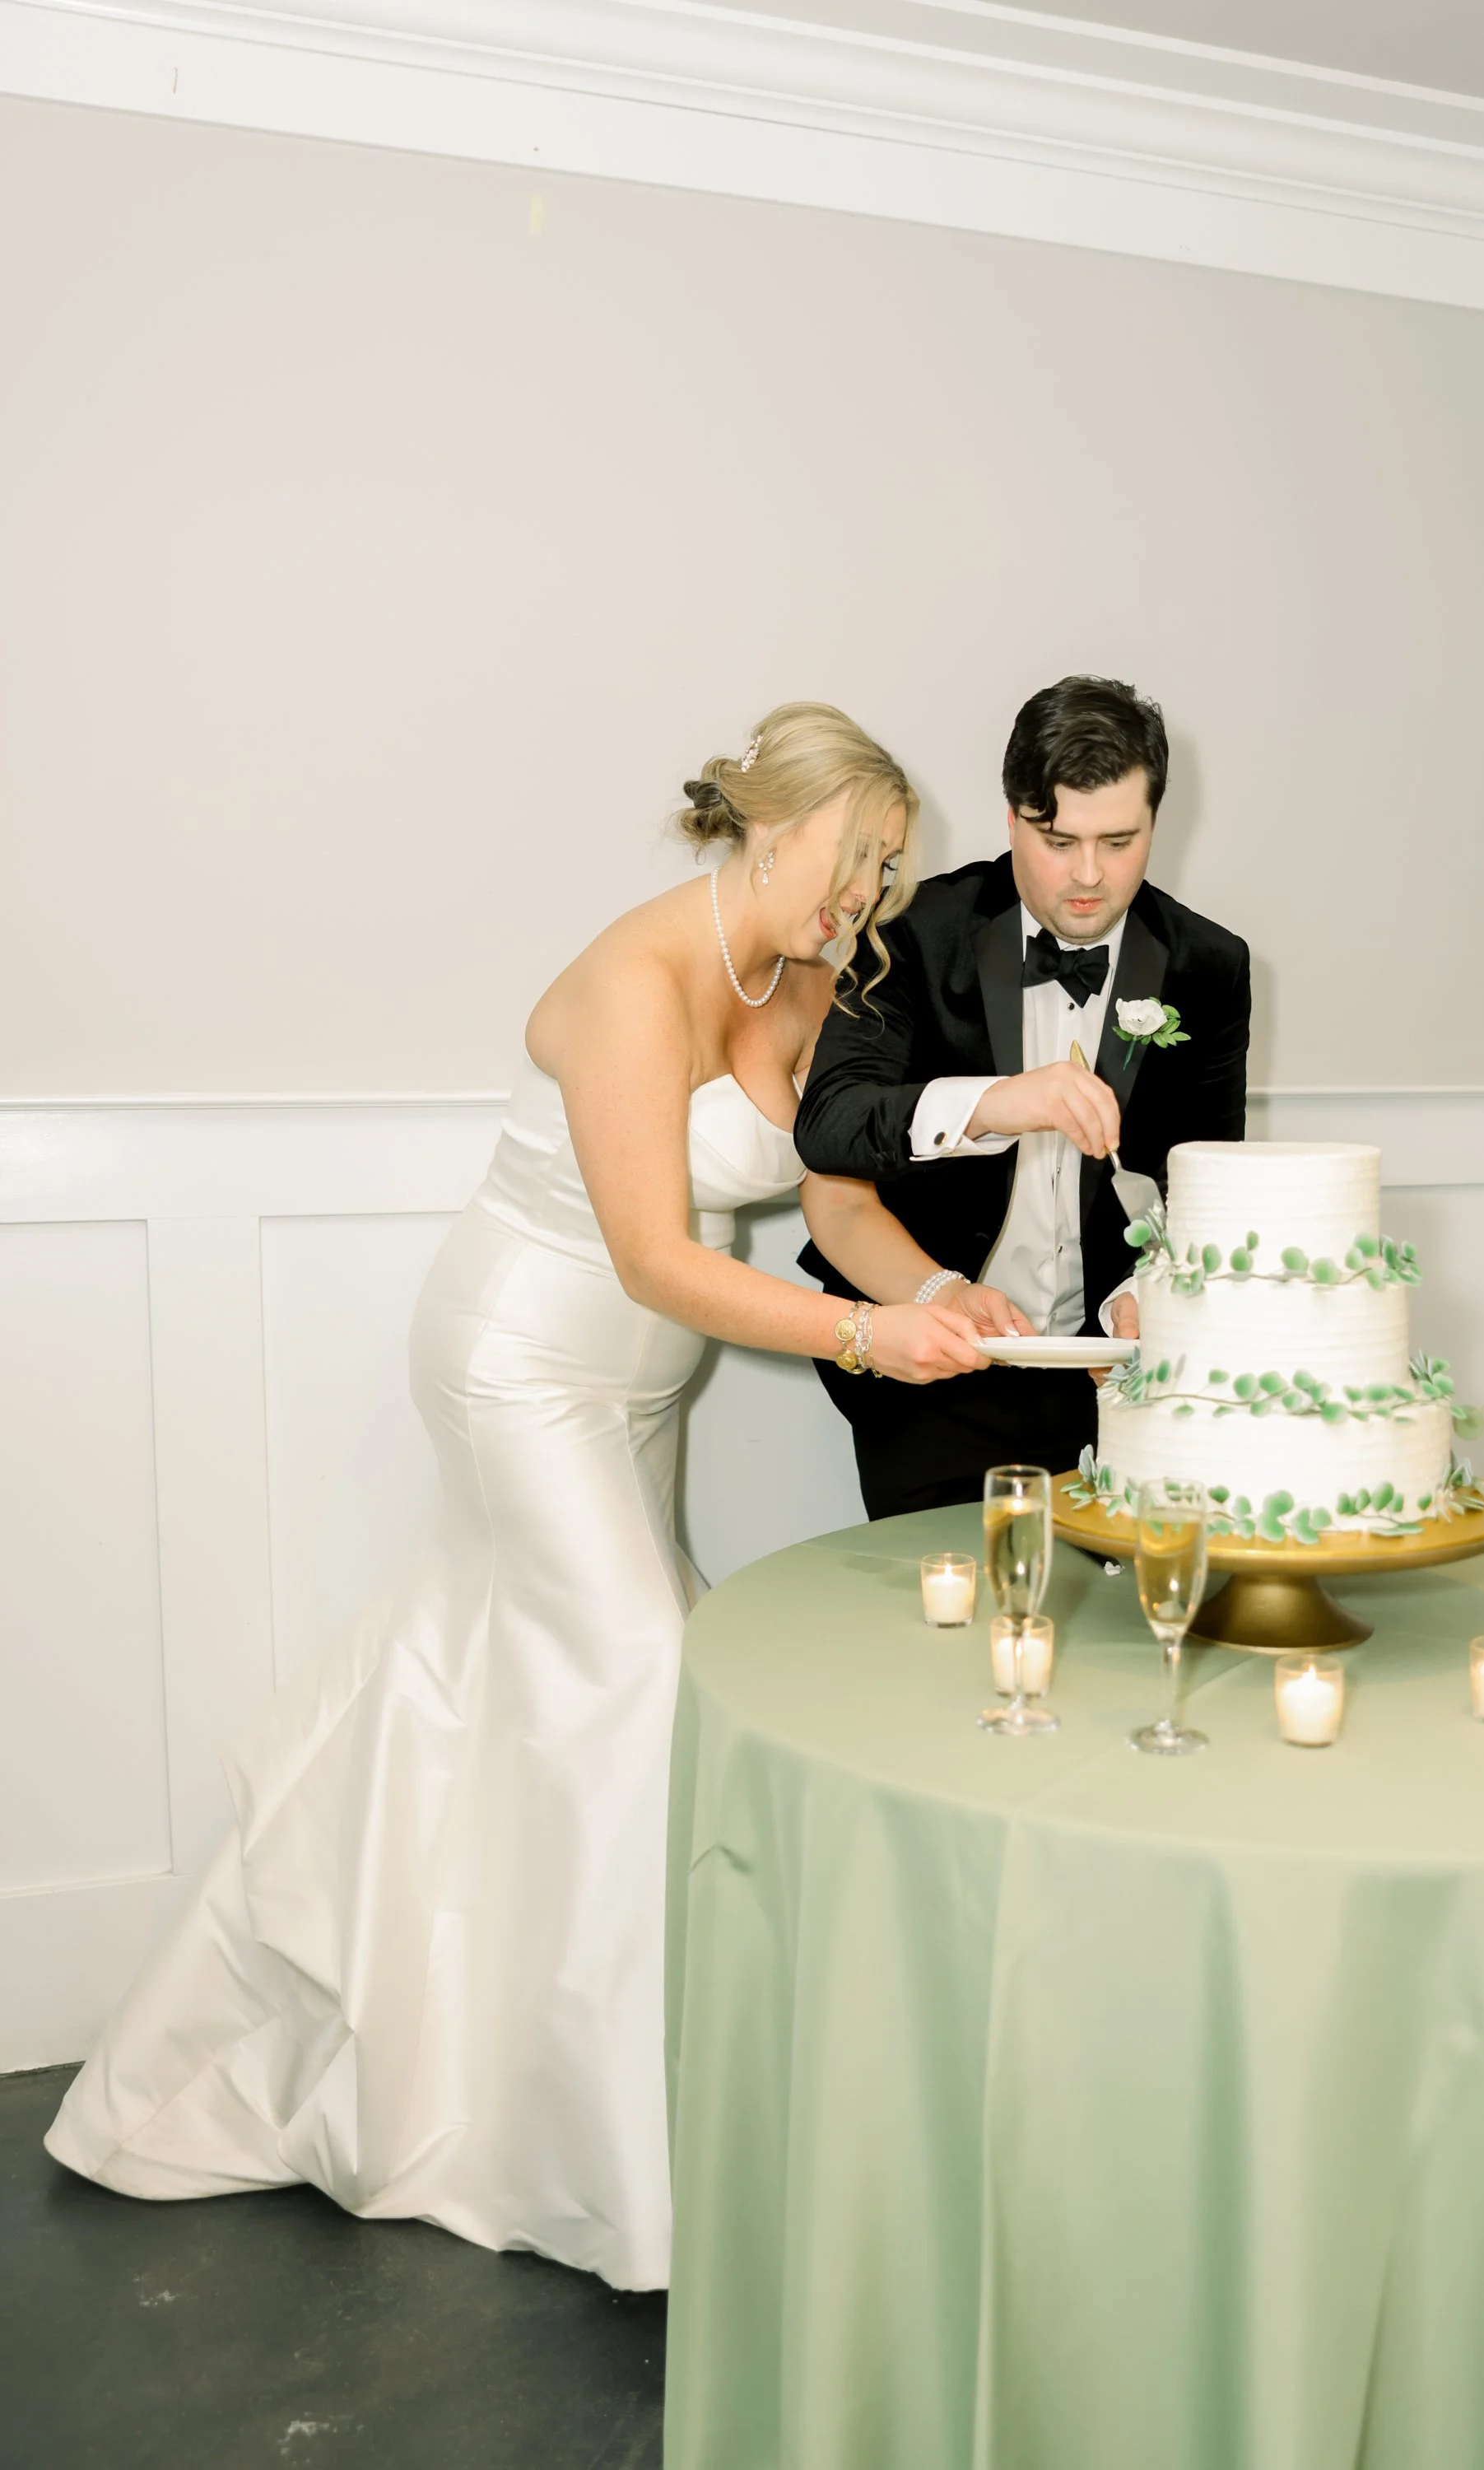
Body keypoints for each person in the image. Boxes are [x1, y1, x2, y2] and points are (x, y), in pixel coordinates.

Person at [45, 702, 1026, 2291]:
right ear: (769, 829)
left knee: (515, 1722)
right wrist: (870, 1339)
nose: (867, 904)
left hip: (633, 1399)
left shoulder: (810, 979)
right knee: (649, 1680)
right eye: (852, 866)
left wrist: (943, 1297)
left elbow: (839, 1202)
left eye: (888, 876)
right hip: (517, 1375)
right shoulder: (634, 983)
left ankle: (480, 2082)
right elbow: (657, 1255)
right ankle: (642, 2173)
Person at [794, 675, 1251, 1517]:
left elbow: (1206, 1180)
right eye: (1056, 840)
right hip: (931, 1369)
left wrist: (1135, 1298)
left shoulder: (1208, 966)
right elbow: (827, 1127)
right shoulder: (910, 934)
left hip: (1116, 1384)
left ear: (1156, 821)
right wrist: (998, 1103)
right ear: (1010, 820)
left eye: (1119, 841)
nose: (1087, 875)